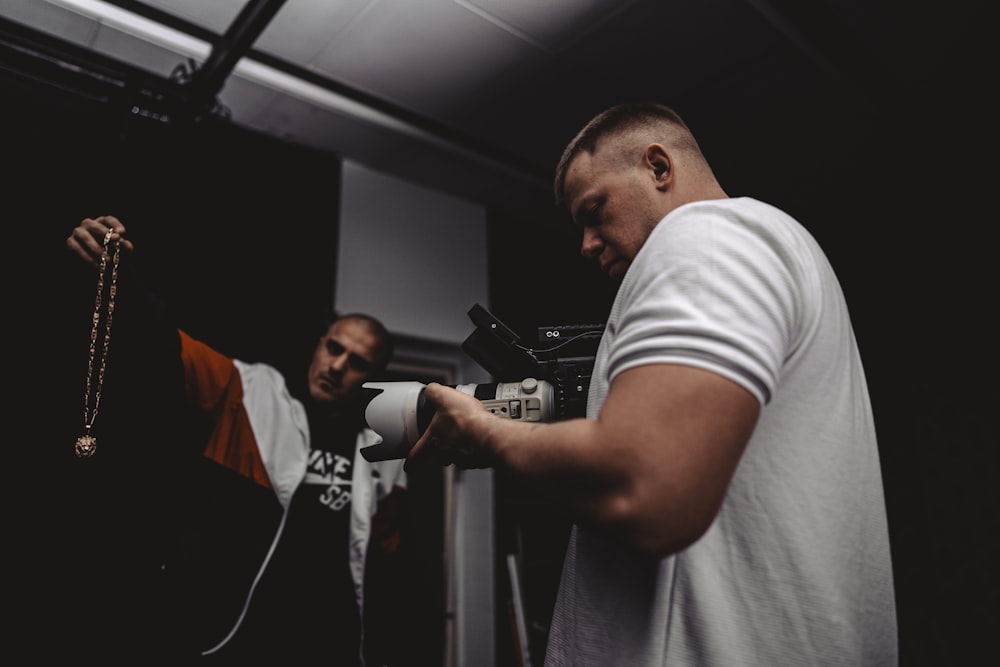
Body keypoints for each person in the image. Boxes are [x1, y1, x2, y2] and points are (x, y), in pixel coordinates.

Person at [407, 101, 897, 665]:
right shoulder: (767, 246)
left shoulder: (706, 237)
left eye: (596, 211)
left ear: (658, 168)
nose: (586, 244)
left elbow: (641, 486)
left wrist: (481, 432)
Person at [65, 215, 411, 666]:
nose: (337, 365)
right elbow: (164, 342)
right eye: (334, 347)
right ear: (319, 342)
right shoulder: (252, 391)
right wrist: (114, 276)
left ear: (374, 375)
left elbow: (387, 557)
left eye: (358, 361)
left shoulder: (386, 448)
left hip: (330, 640)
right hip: (235, 634)